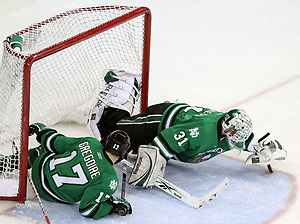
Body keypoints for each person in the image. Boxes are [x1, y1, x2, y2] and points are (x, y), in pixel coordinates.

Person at [87, 69, 287, 187]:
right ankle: (125, 84)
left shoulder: (231, 130)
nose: (236, 142)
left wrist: (265, 146)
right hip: (161, 121)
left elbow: (248, 138)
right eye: (234, 137)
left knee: (127, 144)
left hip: (176, 121)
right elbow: (166, 141)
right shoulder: (202, 132)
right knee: (113, 132)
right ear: (226, 128)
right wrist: (149, 167)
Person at [1, 123, 133, 220]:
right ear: (123, 154)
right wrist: (111, 206)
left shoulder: (91, 143)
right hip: (50, 194)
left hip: (39, 169)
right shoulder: (110, 179)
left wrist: (43, 131)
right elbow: (88, 209)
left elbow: (56, 142)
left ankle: (7, 162)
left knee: (41, 151)